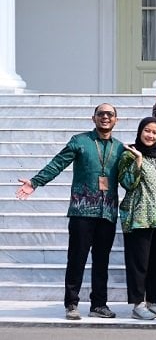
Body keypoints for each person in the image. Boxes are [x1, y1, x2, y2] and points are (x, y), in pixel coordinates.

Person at [16, 103, 126, 320]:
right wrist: (36, 182)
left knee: (102, 261)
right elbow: (58, 163)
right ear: (93, 118)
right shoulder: (80, 141)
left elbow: (129, 178)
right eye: (101, 114)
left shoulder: (121, 148)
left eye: (110, 114)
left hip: (108, 212)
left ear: (116, 120)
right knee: (77, 258)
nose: (105, 117)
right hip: (82, 211)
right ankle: (72, 304)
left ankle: (99, 305)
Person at [118, 117, 156, 320]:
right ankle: (138, 304)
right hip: (140, 217)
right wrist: (137, 160)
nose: (150, 135)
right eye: (147, 131)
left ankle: (153, 301)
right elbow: (127, 183)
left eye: (154, 132)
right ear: (140, 131)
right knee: (139, 263)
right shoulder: (129, 153)